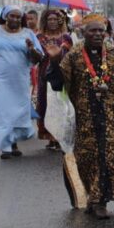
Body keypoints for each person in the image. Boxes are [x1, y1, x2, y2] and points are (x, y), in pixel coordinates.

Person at [45, 15, 114, 219]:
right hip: (84, 117)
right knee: (87, 158)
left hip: (112, 115)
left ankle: (99, 201)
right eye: (92, 31)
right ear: (83, 33)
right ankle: (91, 196)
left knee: (109, 156)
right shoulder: (74, 56)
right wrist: (54, 60)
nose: (97, 34)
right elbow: (58, 83)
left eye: (100, 31)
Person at [0, 6, 43, 159]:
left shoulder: (28, 33)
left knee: (17, 112)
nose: (16, 19)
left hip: (19, 80)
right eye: (12, 16)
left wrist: (31, 48)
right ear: (5, 16)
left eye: (19, 17)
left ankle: (14, 142)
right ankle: (6, 146)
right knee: (2, 112)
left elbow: (38, 58)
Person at [36, 9, 74, 150]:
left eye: (55, 19)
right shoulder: (39, 37)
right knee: (45, 105)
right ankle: (50, 136)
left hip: (62, 75)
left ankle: (60, 136)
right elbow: (37, 57)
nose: (52, 22)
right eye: (49, 19)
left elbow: (70, 56)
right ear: (45, 21)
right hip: (44, 76)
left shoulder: (66, 37)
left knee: (62, 105)